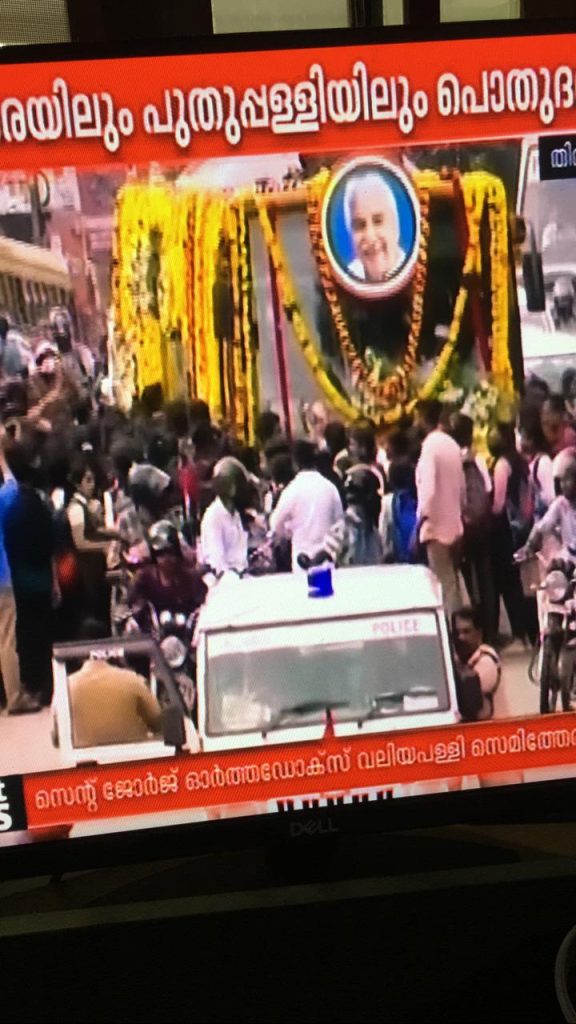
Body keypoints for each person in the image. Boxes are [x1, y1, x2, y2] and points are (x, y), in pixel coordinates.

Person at [3, 441, 59, 707]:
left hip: (16, 578)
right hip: (11, 580)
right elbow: (12, 487)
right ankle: (19, 694)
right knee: (10, 639)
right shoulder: (14, 500)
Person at [63, 620, 162, 748]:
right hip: (135, 763)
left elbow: (57, 737)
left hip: (85, 764)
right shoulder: (133, 681)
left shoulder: (65, 688)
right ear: (110, 645)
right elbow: (158, 723)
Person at [0, 428, 40, 713]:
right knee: (6, 640)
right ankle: (14, 697)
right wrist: (2, 460)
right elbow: (12, 490)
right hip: (1, 580)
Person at [414, 399, 465, 616]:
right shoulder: (451, 444)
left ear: (424, 419)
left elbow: (428, 490)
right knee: (453, 582)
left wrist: (421, 520)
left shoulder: (430, 447)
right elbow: (461, 489)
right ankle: (460, 627)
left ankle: (451, 631)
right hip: (455, 523)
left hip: (436, 526)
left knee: (442, 584)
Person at [451, 413, 496, 644]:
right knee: (486, 577)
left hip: (464, 525)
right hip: (482, 526)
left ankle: (474, 629)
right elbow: (488, 489)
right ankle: (490, 630)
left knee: (468, 579)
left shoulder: (453, 460)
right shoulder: (477, 459)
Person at [269, 439, 343, 572]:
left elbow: (275, 524)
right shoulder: (330, 487)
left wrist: (287, 532)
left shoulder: (292, 490)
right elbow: (340, 523)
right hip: (327, 559)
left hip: (301, 561)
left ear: (295, 463)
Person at [488, 423, 530, 646]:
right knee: (515, 581)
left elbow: (498, 504)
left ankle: (517, 630)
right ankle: (523, 629)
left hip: (504, 528)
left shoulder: (502, 465)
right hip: (520, 526)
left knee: (505, 581)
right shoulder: (520, 461)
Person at [129, 521, 207, 620]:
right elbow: (130, 604)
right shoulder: (143, 579)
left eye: (170, 553)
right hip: (154, 632)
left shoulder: (191, 579)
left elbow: (204, 604)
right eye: (161, 554)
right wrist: (135, 616)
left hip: (187, 631)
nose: (166, 559)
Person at [344, 172, 406, 283]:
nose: (370, 236)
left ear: (395, 225)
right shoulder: (345, 278)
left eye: (378, 221)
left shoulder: (418, 271)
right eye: (360, 225)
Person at [319, 464, 383, 567]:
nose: (377, 499)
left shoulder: (373, 533)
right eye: (374, 493)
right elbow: (326, 556)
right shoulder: (342, 529)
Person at [199, 456, 250, 576]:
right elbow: (217, 563)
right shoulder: (213, 517)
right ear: (231, 488)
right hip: (225, 583)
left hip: (243, 578)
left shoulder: (235, 514)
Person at [452, 607, 501, 722]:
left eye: (466, 632)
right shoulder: (461, 659)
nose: (460, 638)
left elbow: (465, 697)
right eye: (456, 633)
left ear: (479, 634)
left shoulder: (487, 661)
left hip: (493, 733)